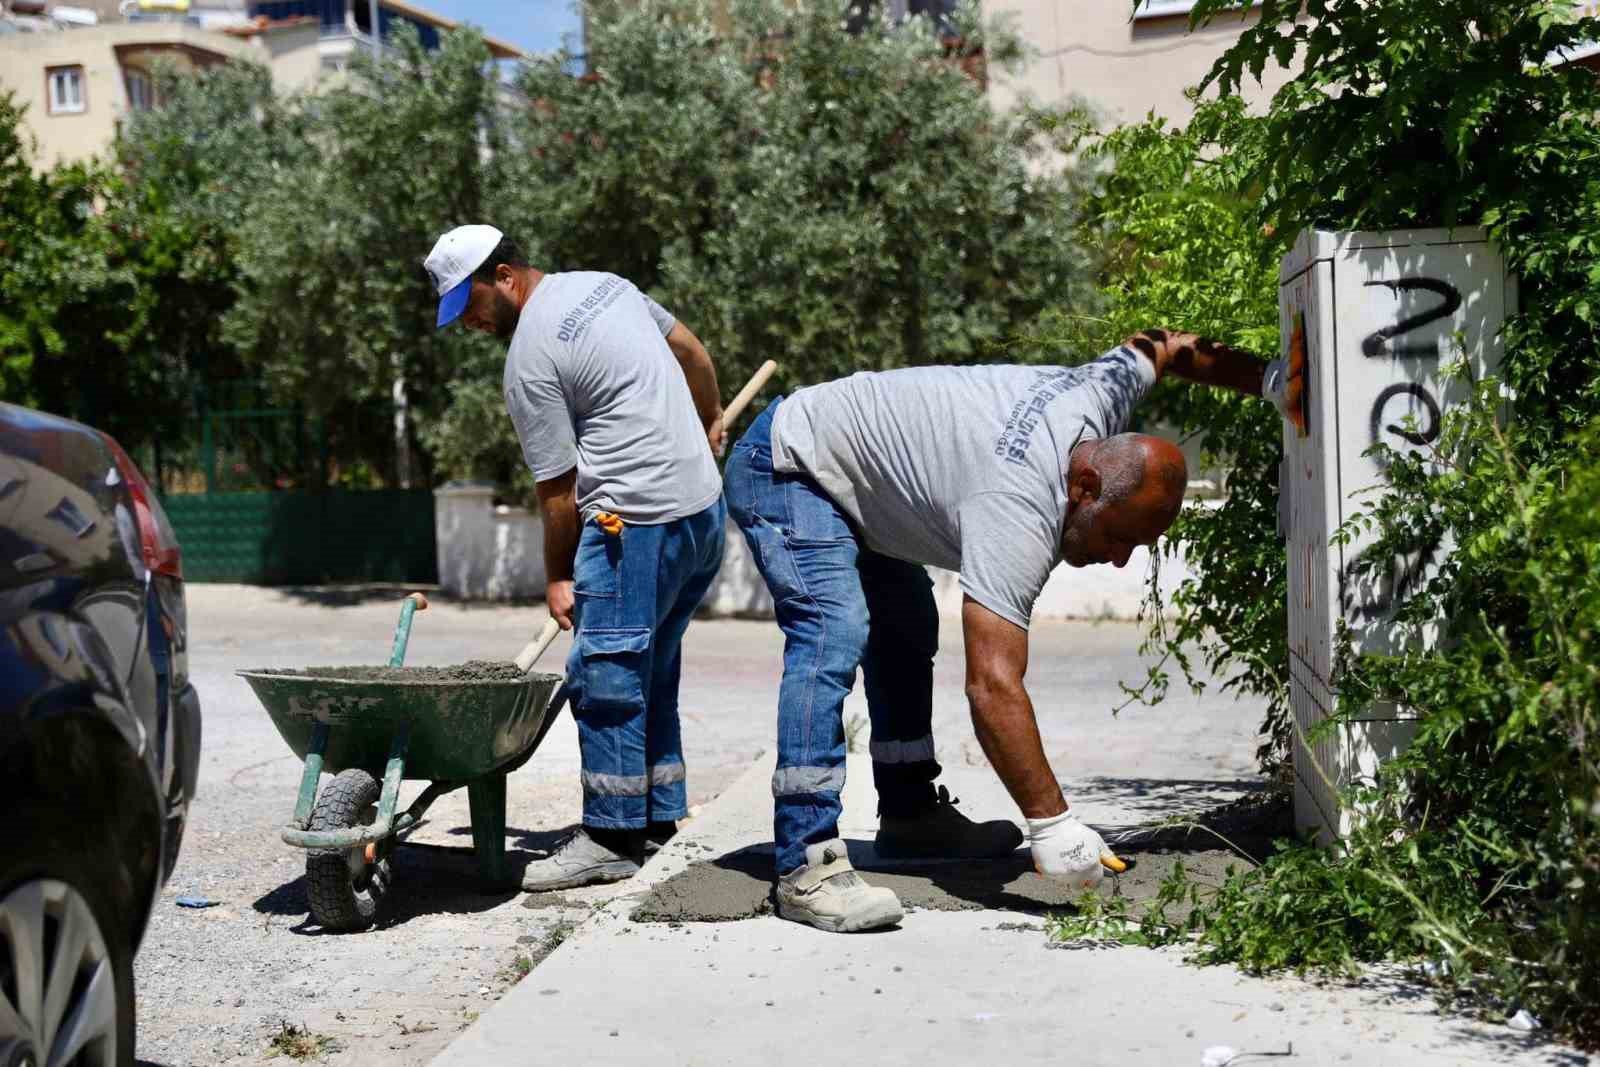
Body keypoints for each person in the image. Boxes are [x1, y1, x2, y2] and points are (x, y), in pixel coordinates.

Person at [722, 329, 1304, 932]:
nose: (1123, 558)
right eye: (1120, 536)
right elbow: (992, 686)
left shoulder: (1098, 397)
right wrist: (1052, 825)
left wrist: (1268, 381)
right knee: (833, 628)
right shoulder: (1018, 506)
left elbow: (1163, 347)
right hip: (789, 465)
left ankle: (910, 815)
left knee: (906, 623)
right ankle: (805, 862)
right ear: (1083, 488)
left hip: (855, 476)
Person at [424, 224, 727, 891]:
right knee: (653, 663)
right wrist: (709, 422)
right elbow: (692, 351)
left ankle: (612, 836)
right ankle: (656, 815)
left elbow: (559, 493)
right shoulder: (603, 285)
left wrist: (557, 574)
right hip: (704, 514)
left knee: (606, 675)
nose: (470, 324)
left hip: (636, 524)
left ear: (504, 275)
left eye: (469, 304)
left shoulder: (529, 359)